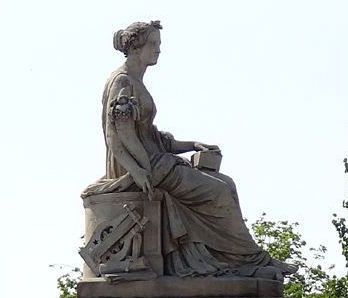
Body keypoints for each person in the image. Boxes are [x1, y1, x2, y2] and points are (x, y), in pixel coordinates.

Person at [82, 20, 295, 280]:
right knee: (217, 191)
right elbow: (115, 136)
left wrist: (191, 145)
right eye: (154, 44)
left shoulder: (135, 80)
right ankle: (248, 261)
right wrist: (138, 171)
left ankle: (242, 259)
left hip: (156, 161)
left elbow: (153, 136)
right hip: (146, 167)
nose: (159, 50)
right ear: (137, 47)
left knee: (225, 183)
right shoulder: (123, 81)